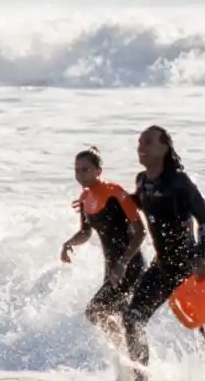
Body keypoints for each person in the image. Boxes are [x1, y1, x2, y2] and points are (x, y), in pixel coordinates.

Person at [121, 125, 205, 381]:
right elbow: (137, 202)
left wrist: (200, 258)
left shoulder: (180, 183)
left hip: (185, 267)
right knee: (132, 318)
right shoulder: (143, 180)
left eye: (148, 142)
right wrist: (110, 199)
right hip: (162, 267)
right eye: (139, 142)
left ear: (164, 147)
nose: (141, 147)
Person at [61, 147, 147, 346]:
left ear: (99, 171)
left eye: (86, 170)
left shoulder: (114, 192)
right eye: (77, 170)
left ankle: (125, 356)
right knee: (121, 316)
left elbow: (140, 231)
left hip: (129, 264)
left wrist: (123, 263)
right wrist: (68, 243)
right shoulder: (84, 198)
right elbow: (86, 232)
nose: (80, 174)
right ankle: (132, 363)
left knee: (95, 310)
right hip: (111, 267)